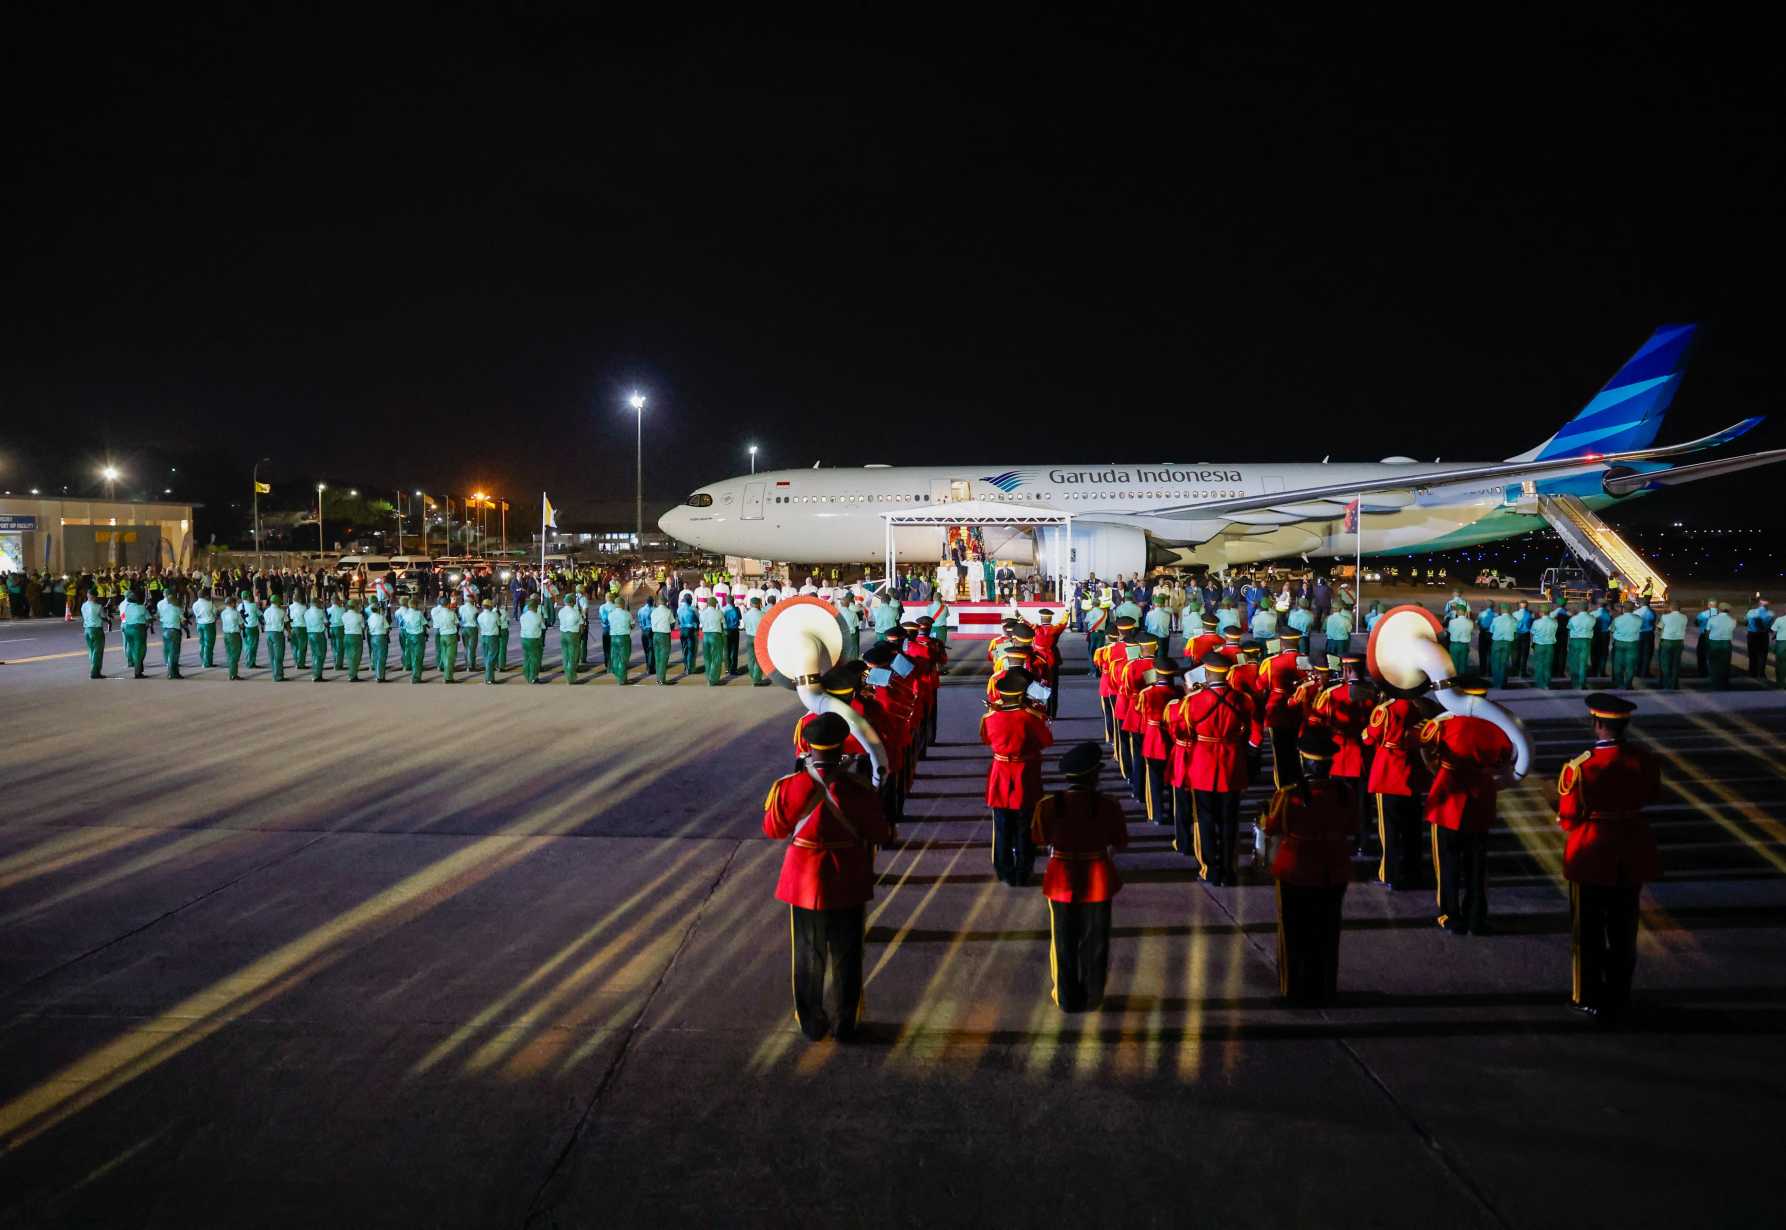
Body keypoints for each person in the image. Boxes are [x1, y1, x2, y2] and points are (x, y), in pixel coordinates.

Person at [762, 711, 892, 1043]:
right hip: (847, 876)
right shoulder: (858, 787)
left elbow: (773, 830)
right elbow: (879, 831)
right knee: (848, 954)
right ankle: (846, 1023)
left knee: (807, 953)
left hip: (803, 879)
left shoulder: (790, 786)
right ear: (842, 746)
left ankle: (811, 1022)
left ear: (808, 745)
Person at [1555, 693, 1661, 1024]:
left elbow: (1570, 819)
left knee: (1586, 932)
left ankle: (1587, 996)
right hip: (1630, 848)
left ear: (1598, 725)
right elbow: (1651, 796)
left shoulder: (1581, 766)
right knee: (1623, 929)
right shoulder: (1644, 759)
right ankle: (1619, 995)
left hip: (1592, 853)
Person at [1030, 741, 1127, 1013]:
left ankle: (1067, 996)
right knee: (1096, 939)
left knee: (1063, 939)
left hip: (1062, 877)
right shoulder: (1108, 805)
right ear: (1095, 775)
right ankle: (1093, 995)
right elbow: (1120, 840)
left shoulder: (1048, 805)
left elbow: (1038, 837)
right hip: (1097, 875)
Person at [1262, 731, 1355, 1006]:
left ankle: (1295, 991)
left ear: (1304, 762)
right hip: (1333, 869)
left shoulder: (1288, 794)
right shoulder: (1344, 793)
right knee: (1327, 933)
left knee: (1293, 935)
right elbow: (1352, 826)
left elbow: (1272, 827)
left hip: (1297, 869)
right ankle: (1325, 989)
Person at [1419, 676, 1513, 934]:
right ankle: (1476, 917)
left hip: (1448, 800)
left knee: (1447, 864)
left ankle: (1450, 916)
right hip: (1480, 799)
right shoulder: (1499, 728)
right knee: (1477, 866)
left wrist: (1435, 767)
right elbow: (1506, 760)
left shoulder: (1447, 724)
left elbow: (1425, 747)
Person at [1183, 651, 1258, 886]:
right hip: (1232, 763)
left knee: (1204, 819)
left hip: (1203, 763)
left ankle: (1210, 869)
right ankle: (1229, 870)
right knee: (1230, 819)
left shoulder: (1193, 701)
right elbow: (1252, 732)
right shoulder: (1243, 700)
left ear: (1206, 672)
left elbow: (1183, 732)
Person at [981, 667, 1052, 886]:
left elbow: (986, 739)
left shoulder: (990, 716)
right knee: (1025, 825)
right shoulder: (1031, 717)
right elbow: (1046, 741)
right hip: (1025, 772)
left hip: (1001, 772)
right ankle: (1023, 870)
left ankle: (1004, 870)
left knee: (1002, 825)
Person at [1364, 685, 1426, 889]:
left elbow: (1369, 737)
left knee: (1388, 830)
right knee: (1412, 828)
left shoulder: (1386, 709)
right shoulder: (1420, 707)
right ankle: (1413, 870)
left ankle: (1389, 874)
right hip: (1412, 771)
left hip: (1389, 773)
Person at [1704, 601, 1737, 689]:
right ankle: (1724, 683)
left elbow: (1707, 632)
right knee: (1725, 664)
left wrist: (1708, 642)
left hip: (1714, 643)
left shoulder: (1712, 619)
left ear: (1719, 609)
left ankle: (1715, 683)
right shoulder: (1733, 621)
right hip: (1726, 643)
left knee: (1714, 664)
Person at [1609, 602, 1641, 689]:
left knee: (1618, 665)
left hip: (1619, 643)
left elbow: (1611, 630)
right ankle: (1628, 684)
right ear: (1633, 609)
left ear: (1623, 608)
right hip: (1632, 643)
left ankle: (1619, 683)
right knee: (1630, 665)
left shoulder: (1617, 619)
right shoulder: (1639, 619)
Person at [1656, 599, 1687, 689]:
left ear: (1670, 607)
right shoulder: (1684, 617)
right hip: (1679, 642)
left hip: (1666, 641)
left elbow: (1659, 628)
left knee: (1665, 664)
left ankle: (1666, 683)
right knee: (1675, 664)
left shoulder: (1665, 617)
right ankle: (1674, 684)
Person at [156, 587, 185, 679]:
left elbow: (158, 615)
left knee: (167, 651)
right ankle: (172, 673)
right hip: (174, 630)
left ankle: (170, 669)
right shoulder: (177, 605)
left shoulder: (159, 604)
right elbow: (182, 619)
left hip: (165, 629)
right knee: (174, 653)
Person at [1565, 603, 1596, 689]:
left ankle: (1575, 682)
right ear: (1587, 608)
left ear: (1578, 609)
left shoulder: (1573, 618)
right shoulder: (1592, 618)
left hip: (1575, 640)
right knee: (1583, 662)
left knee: (1574, 662)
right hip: (1586, 641)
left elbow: (1569, 627)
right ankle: (1582, 682)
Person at [79, 587, 108, 678]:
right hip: (96, 630)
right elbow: (103, 617)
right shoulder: (98, 606)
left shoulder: (83, 605)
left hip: (87, 630)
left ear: (88, 595)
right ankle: (94, 672)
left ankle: (94, 669)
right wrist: (107, 617)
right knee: (98, 652)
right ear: (95, 596)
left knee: (91, 650)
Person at [1744, 597, 1774, 681]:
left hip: (1752, 635)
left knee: (1752, 654)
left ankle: (1752, 672)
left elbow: (1746, 623)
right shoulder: (1771, 613)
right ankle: (1761, 673)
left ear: (1759, 604)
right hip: (1764, 635)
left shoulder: (1751, 612)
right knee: (1763, 655)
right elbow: (1770, 626)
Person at [698, 595, 725, 685]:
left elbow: (701, 624)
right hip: (715, 635)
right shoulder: (719, 612)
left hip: (706, 635)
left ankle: (709, 676)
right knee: (716, 657)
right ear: (715, 604)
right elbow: (723, 625)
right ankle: (713, 679)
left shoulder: (702, 613)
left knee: (707, 657)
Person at [519, 595, 546, 683]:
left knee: (526, 658)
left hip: (524, 638)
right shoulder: (538, 616)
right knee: (535, 659)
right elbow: (543, 627)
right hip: (534, 639)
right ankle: (533, 677)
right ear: (535, 607)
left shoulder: (522, 616)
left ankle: (527, 675)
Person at [607, 597, 633, 684]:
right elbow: (632, 626)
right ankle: (621, 679)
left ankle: (618, 674)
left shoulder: (610, 614)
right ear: (623, 604)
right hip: (624, 638)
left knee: (615, 657)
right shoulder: (627, 614)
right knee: (623, 659)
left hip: (613, 637)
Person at [218, 592, 244, 680]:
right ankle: (233, 674)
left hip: (226, 634)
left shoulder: (223, 613)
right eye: (235, 603)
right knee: (235, 654)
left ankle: (232, 672)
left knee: (229, 654)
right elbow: (241, 625)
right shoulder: (236, 613)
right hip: (234, 635)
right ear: (232, 603)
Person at [263, 596, 288, 682]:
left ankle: (275, 673)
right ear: (277, 602)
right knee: (279, 656)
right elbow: (286, 623)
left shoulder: (266, 611)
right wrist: (290, 633)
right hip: (277, 634)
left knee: (272, 655)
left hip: (268, 633)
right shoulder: (281, 611)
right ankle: (278, 676)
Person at [304, 595, 329, 681]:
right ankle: (317, 675)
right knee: (320, 655)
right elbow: (326, 622)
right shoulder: (320, 612)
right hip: (319, 634)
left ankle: (315, 672)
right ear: (317, 603)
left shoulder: (306, 612)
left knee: (314, 654)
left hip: (310, 634)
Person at [476, 600, 501, 683]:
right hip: (492, 637)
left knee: (486, 656)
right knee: (492, 656)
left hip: (483, 636)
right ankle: (489, 678)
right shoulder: (494, 615)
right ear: (490, 606)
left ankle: (488, 677)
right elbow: (499, 624)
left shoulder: (480, 616)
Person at [191, 589, 217, 669]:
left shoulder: (194, 604)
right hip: (209, 624)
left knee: (202, 643)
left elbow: (195, 614)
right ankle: (207, 663)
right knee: (209, 644)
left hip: (199, 624)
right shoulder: (209, 603)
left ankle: (203, 660)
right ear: (206, 595)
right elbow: (215, 612)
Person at [342, 598, 366, 681]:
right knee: (356, 657)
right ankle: (353, 675)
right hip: (356, 637)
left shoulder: (344, 615)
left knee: (349, 657)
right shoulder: (359, 616)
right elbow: (363, 626)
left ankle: (351, 673)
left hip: (346, 636)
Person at [1446, 605, 1474, 676]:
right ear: (1465, 612)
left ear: (1457, 612)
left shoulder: (1452, 622)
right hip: (1464, 645)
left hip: (1454, 645)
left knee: (1454, 664)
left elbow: (1449, 631)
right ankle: (1462, 680)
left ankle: (1455, 680)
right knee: (1463, 664)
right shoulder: (1470, 622)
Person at [367, 599, 390, 682]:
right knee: (382, 657)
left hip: (373, 637)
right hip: (381, 637)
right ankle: (380, 676)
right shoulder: (381, 617)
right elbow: (387, 628)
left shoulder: (369, 618)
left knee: (376, 656)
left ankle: (378, 675)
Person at [240, 592, 262, 669]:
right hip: (253, 628)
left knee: (246, 645)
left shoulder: (240, 606)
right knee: (253, 646)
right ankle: (251, 663)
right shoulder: (253, 606)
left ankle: (247, 661)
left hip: (244, 628)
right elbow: (260, 614)